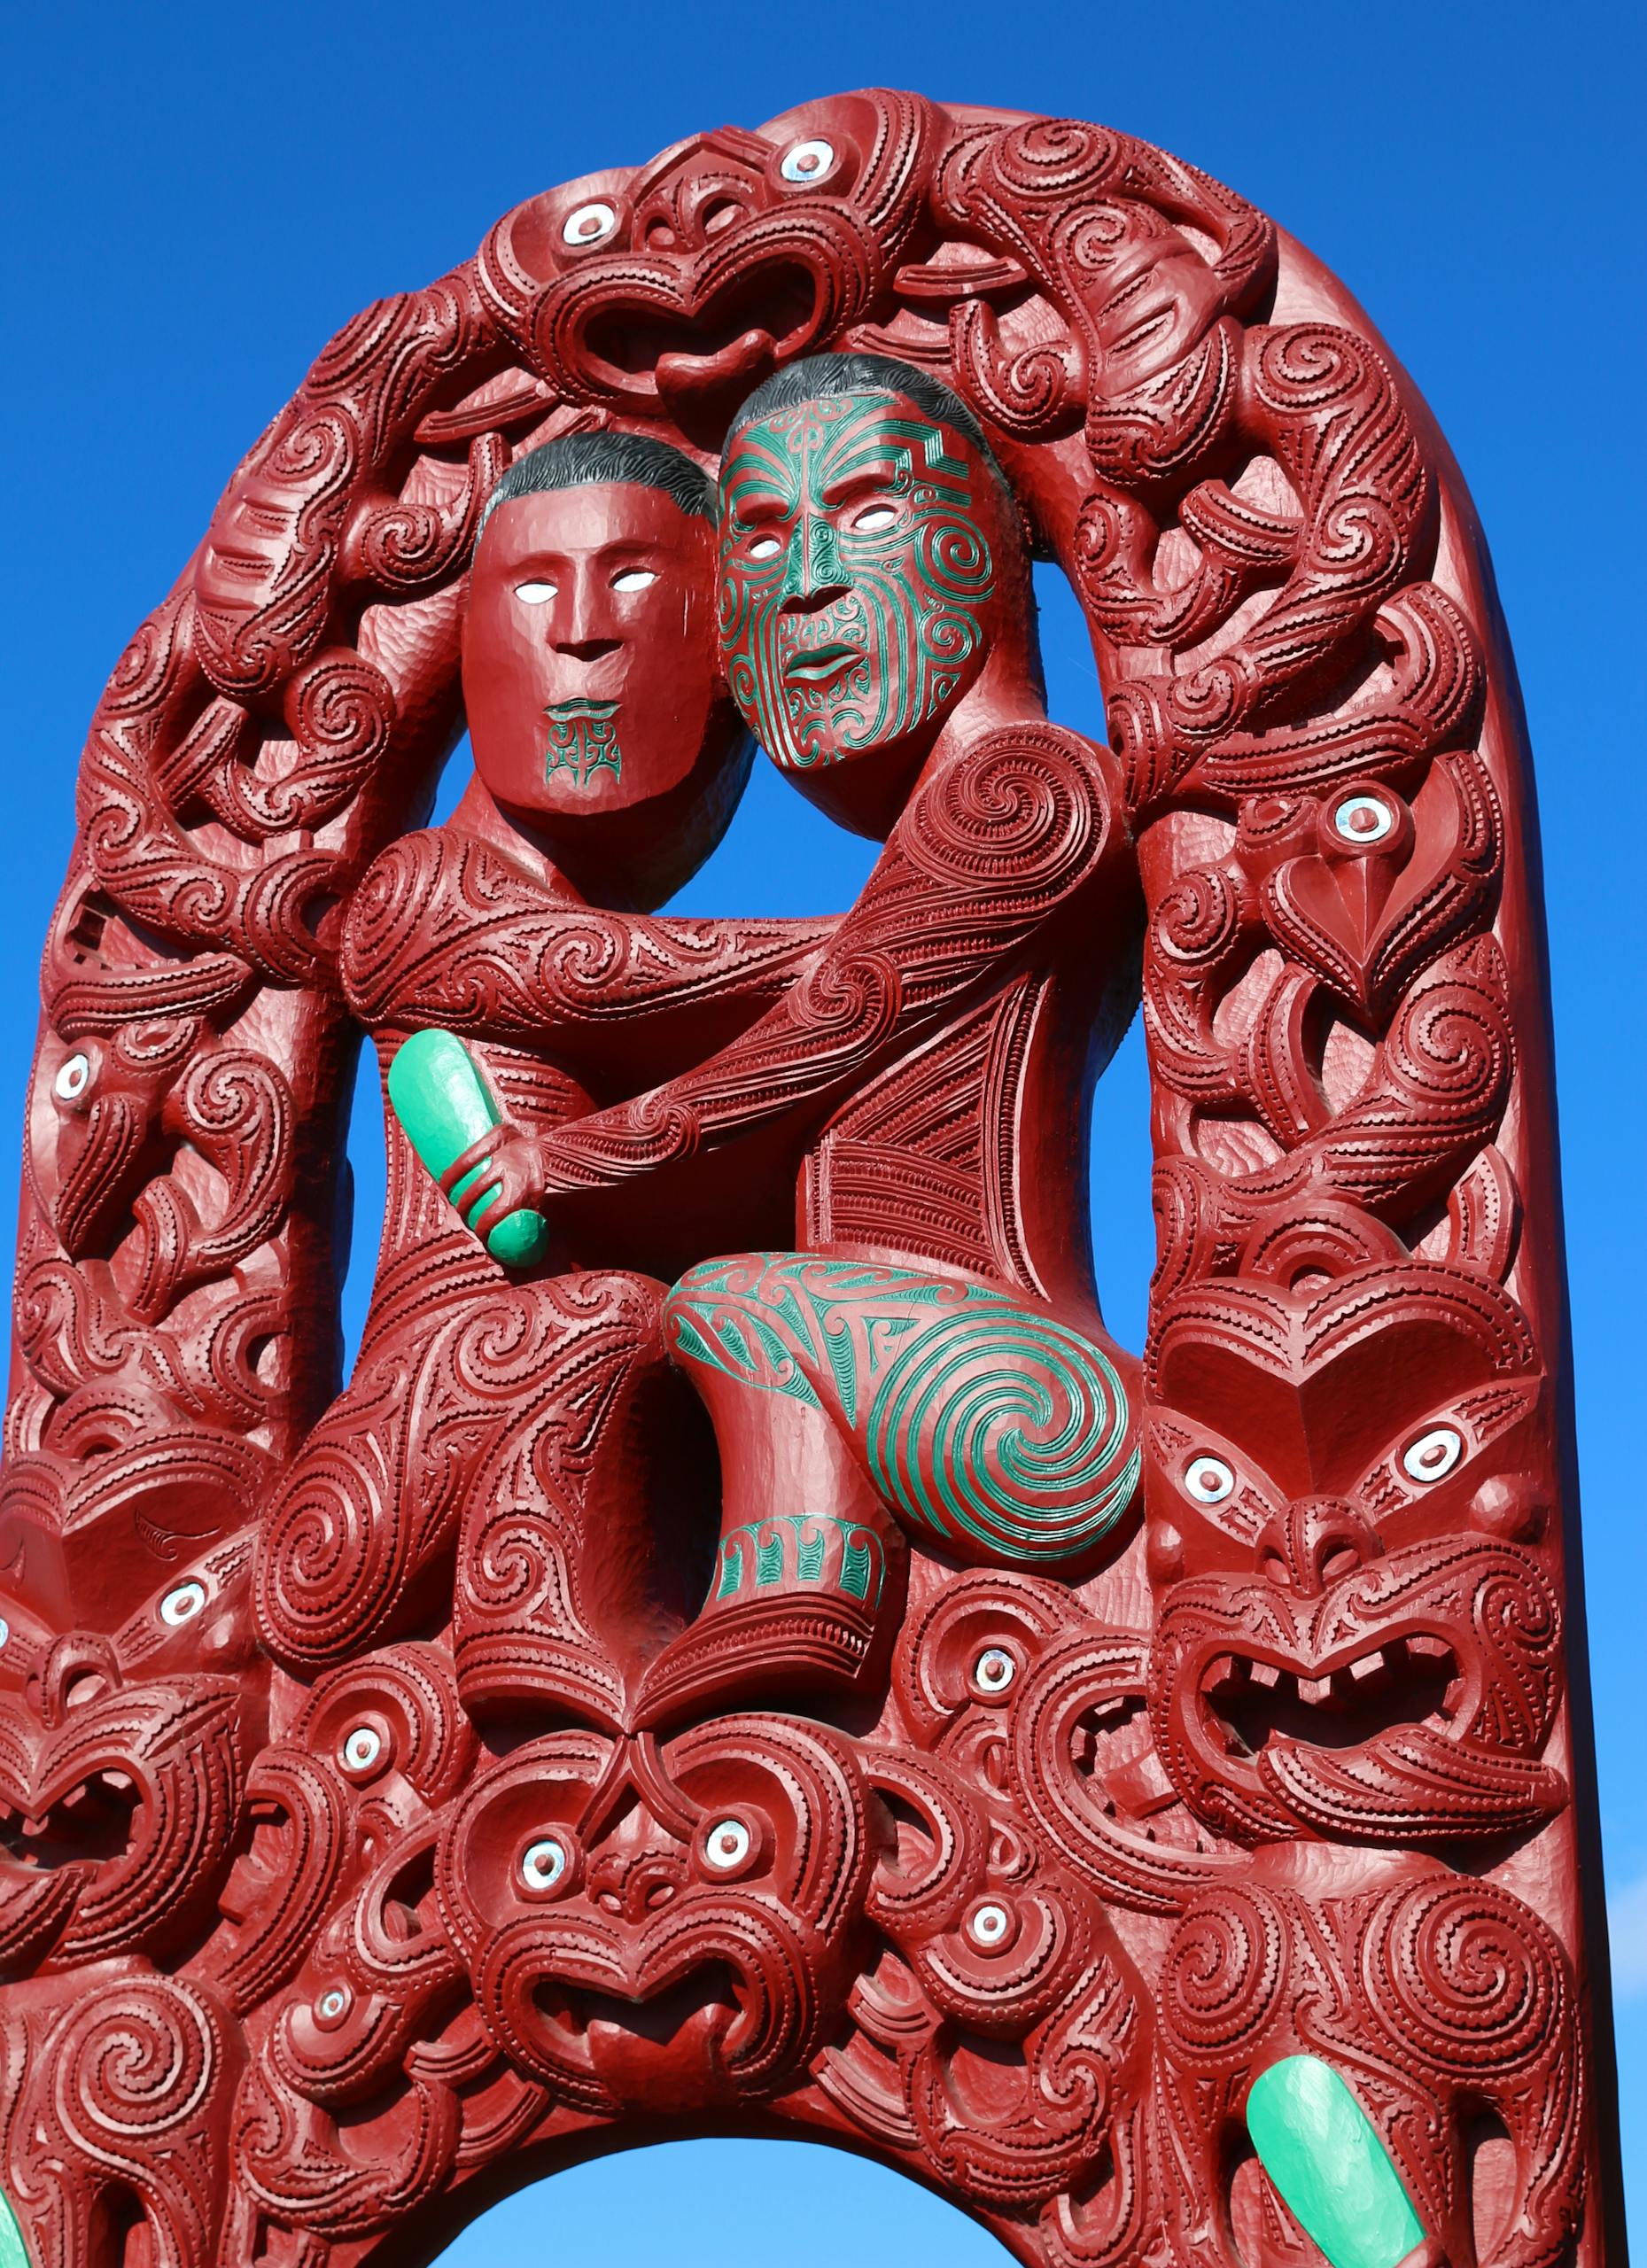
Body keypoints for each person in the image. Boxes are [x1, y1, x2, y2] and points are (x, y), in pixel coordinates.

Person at [439, 358, 1146, 1723]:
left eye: (870, 516)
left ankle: (797, 1596)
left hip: (1029, 1410)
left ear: (990, 555)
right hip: (902, 1372)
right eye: (762, 538)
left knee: (732, 1301)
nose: (808, 580)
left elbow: (831, 1028)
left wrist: (573, 1162)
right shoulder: (935, 845)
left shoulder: (1026, 792)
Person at [253, 431, 833, 1727]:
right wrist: (922, 926)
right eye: (530, 588)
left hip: (584, 1413)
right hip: (394, 1463)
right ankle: (547, 1655)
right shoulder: (419, 896)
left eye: (632, 585)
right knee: (608, 1317)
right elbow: (604, 975)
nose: (581, 635)